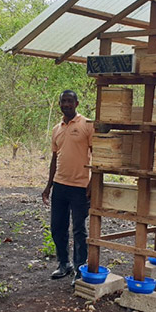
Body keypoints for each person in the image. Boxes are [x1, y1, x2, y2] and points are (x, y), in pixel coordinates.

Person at [42, 90, 94, 284]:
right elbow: (55, 158)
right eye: (63, 101)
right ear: (59, 104)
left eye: (70, 101)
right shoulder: (57, 128)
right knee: (57, 227)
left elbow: (97, 155)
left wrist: (92, 183)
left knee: (79, 229)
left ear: (77, 103)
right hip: (60, 185)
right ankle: (64, 264)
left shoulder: (87, 125)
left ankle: (80, 270)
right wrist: (48, 186)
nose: (66, 104)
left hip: (80, 186)